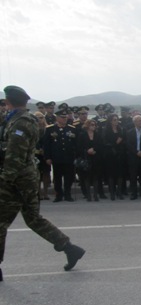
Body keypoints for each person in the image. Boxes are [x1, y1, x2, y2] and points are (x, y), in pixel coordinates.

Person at [0, 85, 85, 281]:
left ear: (9, 102)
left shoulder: (21, 122)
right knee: (33, 219)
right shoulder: (18, 119)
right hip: (25, 178)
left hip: (16, 180)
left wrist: (5, 181)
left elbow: (15, 156)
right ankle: (70, 248)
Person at [43, 108, 77, 202]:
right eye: (62, 117)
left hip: (69, 157)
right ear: (57, 118)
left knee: (68, 177)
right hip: (56, 157)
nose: (64, 119)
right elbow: (47, 145)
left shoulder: (71, 129)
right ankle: (59, 194)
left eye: (65, 117)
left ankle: (67, 194)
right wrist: (48, 157)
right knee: (57, 178)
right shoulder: (50, 129)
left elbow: (75, 143)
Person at [77, 119, 103, 201]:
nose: (94, 126)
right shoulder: (82, 135)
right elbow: (79, 147)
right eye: (92, 124)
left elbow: (101, 145)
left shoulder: (98, 135)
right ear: (87, 125)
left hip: (96, 157)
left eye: (94, 125)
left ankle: (95, 194)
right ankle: (88, 195)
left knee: (96, 177)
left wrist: (94, 150)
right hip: (86, 158)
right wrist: (87, 151)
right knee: (87, 177)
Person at [125, 115, 141, 200]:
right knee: (133, 176)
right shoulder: (129, 132)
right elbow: (128, 144)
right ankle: (134, 193)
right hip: (133, 157)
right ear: (135, 122)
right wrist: (136, 152)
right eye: (139, 121)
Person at [103, 113, 126, 200]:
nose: (116, 121)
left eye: (117, 119)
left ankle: (119, 192)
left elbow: (124, 140)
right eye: (114, 120)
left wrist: (120, 144)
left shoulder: (121, 129)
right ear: (110, 121)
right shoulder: (106, 130)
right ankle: (112, 192)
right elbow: (105, 142)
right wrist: (115, 143)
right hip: (110, 155)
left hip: (120, 155)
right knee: (111, 175)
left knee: (120, 174)